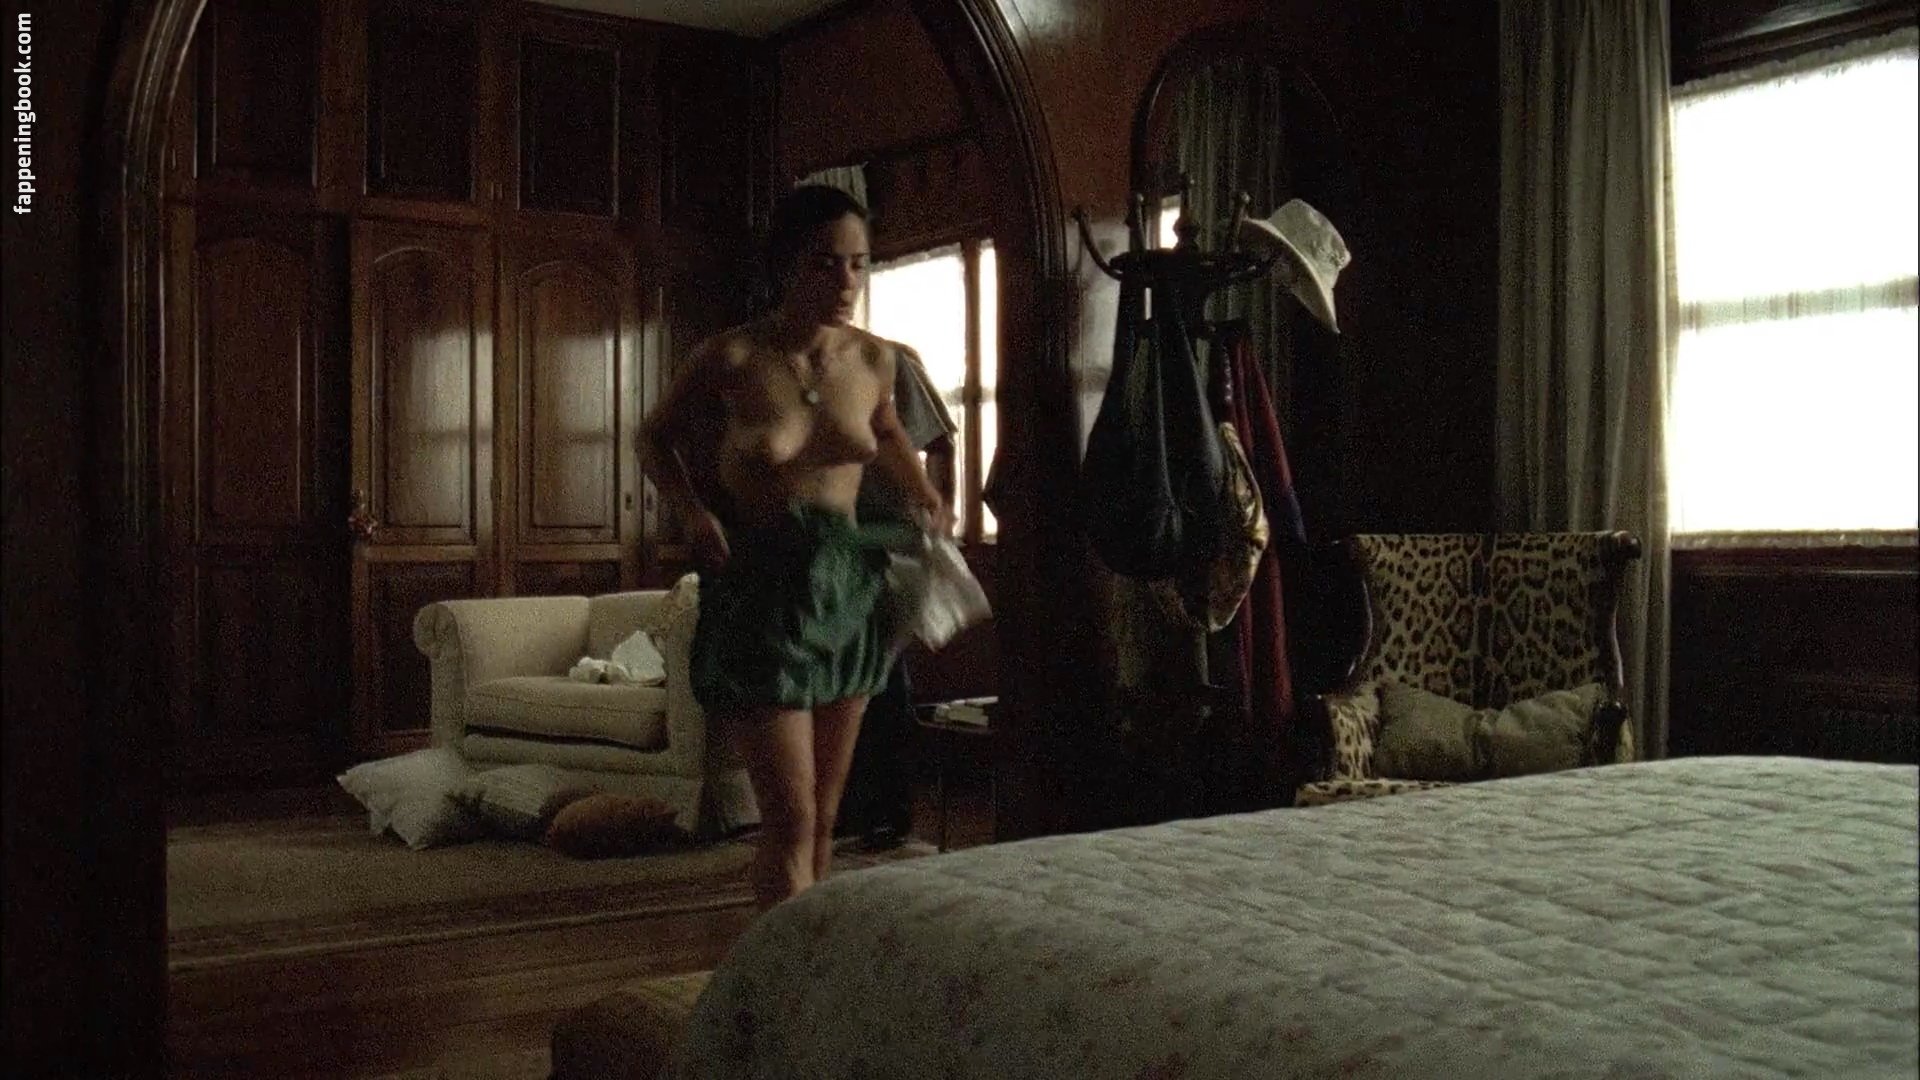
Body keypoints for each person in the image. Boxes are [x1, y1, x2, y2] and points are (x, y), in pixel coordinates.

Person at [640, 184, 952, 911]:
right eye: (825, 263)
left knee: (827, 818)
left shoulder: (877, 360)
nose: (846, 283)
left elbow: (887, 430)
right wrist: (692, 513)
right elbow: (653, 437)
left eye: (858, 265)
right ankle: (778, 966)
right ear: (785, 264)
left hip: (851, 588)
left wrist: (924, 493)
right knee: (791, 818)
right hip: (764, 590)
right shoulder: (732, 356)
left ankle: (803, 962)